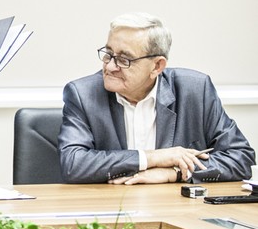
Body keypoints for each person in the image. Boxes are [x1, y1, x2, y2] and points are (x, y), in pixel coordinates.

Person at [59, 13, 255, 184]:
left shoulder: (195, 90)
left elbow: (240, 158)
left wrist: (174, 172)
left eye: (124, 59)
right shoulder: (82, 93)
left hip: (178, 211)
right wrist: (152, 158)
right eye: (108, 54)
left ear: (157, 66)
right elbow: (74, 164)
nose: (110, 67)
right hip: (110, 211)